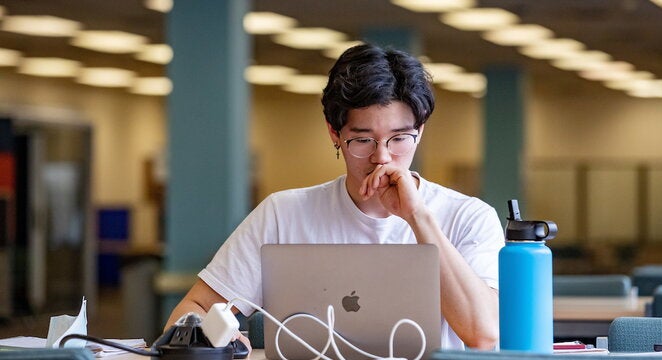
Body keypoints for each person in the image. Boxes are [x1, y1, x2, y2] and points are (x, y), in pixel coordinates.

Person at [164, 43, 505, 352]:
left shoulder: (469, 217)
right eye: (363, 140)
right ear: (334, 133)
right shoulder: (284, 213)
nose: (382, 158)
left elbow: (483, 334)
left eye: (400, 138)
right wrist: (215, 339)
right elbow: (192, 313)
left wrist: (418, 218)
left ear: (421, 131)